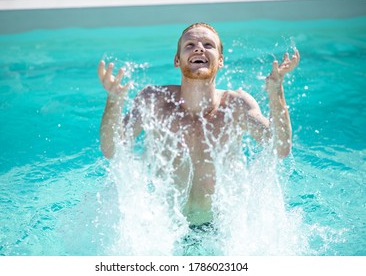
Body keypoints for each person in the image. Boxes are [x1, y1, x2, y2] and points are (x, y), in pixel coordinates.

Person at [97, 22, 300, 227]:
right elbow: (112, 149)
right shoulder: (155, 101)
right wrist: (114, 101)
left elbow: (279, 147)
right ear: (177, 60)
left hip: (218, 227)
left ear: (220, 61)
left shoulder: (236, 105)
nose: (199, 48)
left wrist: (276, 92)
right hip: (165, 228)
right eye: (190, 44)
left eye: (208, 45)